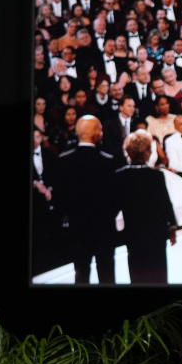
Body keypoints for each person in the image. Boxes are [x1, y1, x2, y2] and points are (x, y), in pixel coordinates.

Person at [51, 115, 118, 284]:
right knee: (107, 275)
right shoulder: (108, 161)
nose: (102, 133)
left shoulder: (64, 160)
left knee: (81, 274)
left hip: (77, 229)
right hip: (104, 229)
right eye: (100, 129)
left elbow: (58, 199)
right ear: (96, 133)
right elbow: (115, 199)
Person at [113, 130, 178, 284]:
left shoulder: (120, 176)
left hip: (133, 232)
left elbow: (115, 206)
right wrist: (172, 227)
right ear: (147, 152)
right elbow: (165, 203)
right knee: (159, 273)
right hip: (156, 232)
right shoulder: (156, 176)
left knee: (137, 271)